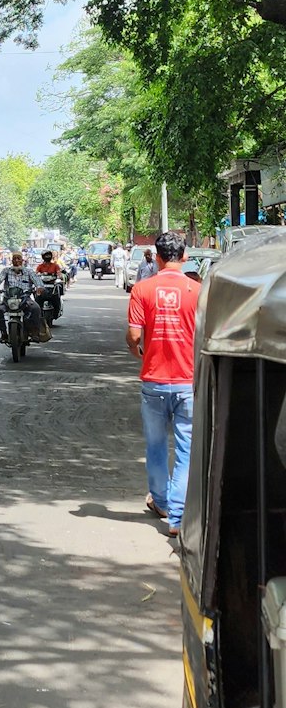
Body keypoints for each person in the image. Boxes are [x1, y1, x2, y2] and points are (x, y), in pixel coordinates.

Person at [127, 231, 200, 542]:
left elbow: (132, 337)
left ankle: (162, 502)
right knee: (186, 449)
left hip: (154, 381)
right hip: (188, 382)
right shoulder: (197, 290)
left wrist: (140, 353)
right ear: (184, 257)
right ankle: (179, 519)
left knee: (156, 446)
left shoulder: (142, 289)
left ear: (156, 257)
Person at [0, 251, 48, 344]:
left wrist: (39, 287)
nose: (16, 261)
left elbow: (37, 280)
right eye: (14, 259)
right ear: (11, 261)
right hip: (8, 299)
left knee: (36, 308)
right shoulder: (6, 271)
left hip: (25, 298)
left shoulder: (29, 271)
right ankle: (3, 332)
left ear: (22, 260)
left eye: (18, 258)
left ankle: (35, 332)